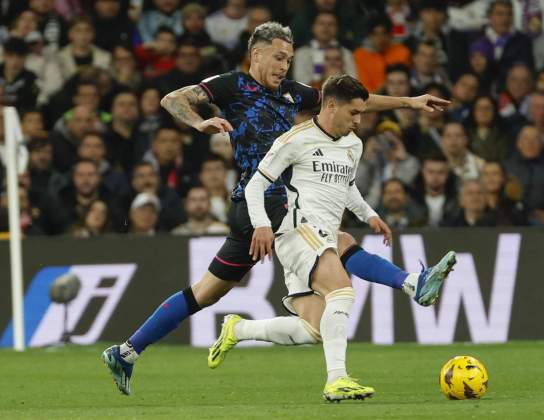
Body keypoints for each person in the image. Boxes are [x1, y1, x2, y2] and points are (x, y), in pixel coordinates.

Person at [102, 22, 451, 396]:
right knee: (339, 249)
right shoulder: (233, 85)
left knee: (206, 293)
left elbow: (352, 100)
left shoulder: (291, 93)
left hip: (268, 206)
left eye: (290, 59)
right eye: (279, 57)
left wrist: (409, 102)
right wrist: (200, 121)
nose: (285, 66)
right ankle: (404, 292)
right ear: (257, 54)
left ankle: (126, 351)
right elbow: (172, 99)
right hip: (264, 204)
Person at [228, 75, 455, 401]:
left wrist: (370, 214)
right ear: (331, 105)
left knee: (315, 328)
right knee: (342, 290)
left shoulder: (353, 144)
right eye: (354, 113)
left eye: (362, 113)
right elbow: (254, 185)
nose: (359, 121)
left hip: (325, 235)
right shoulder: (295, 139)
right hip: (296, 231)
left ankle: (238, 329)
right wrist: (261, 223)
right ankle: (337, 379)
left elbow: (346, 186)